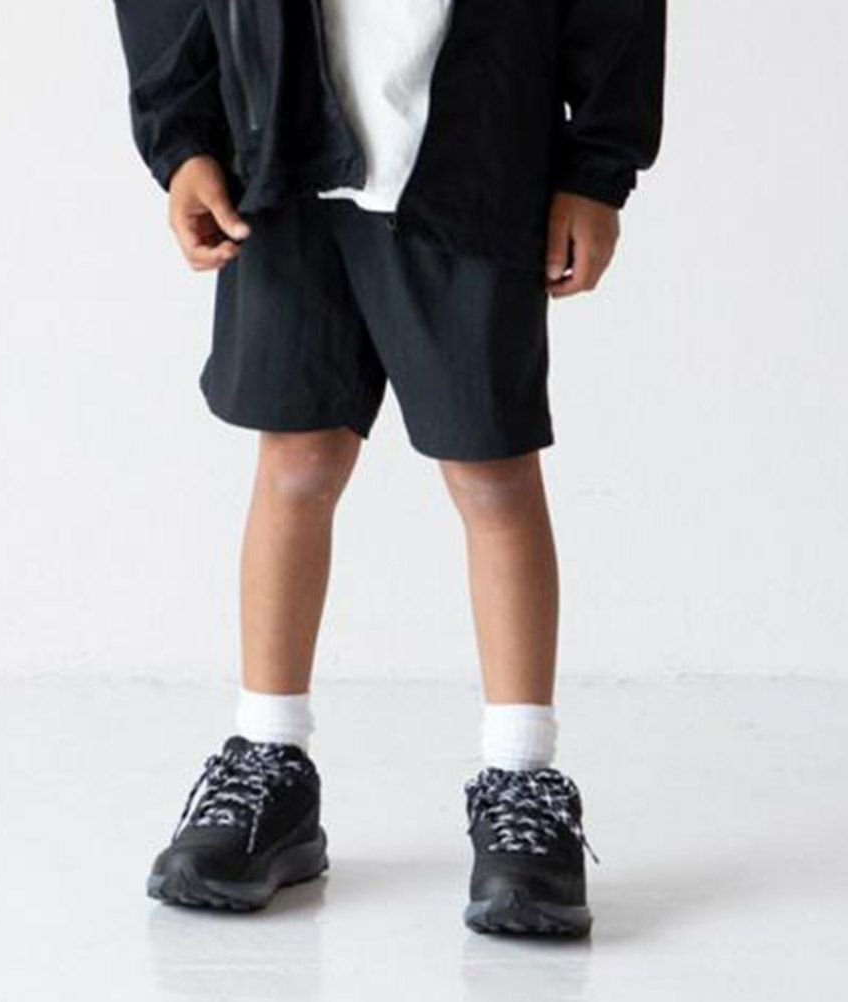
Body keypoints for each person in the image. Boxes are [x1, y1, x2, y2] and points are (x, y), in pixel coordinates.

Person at [114, 0, 664, 937]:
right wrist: (184, 143)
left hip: (472, 163)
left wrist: (596, 170)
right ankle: (269, 760)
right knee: (295, 461)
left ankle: (521, 781)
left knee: (491, 472)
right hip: (279, 165)